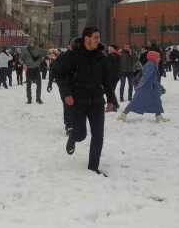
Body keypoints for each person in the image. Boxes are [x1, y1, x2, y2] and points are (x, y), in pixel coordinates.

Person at [56, 27, 115, 176]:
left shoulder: (101, 57)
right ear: (86, 39)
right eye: (95, 37)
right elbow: (60, 75)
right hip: (78, 100)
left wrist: (111, 99)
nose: (98, 40)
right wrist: (66, 94)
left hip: (96, 100)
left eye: (98, 37)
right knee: (81, 134)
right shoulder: (72, 56)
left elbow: (107, 80)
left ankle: (93, 167)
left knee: (98, 134)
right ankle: (73, 137)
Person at [117, 51, 169, 123]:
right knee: (136, 102)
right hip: (146, 88)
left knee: (157, 101)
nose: (159, 58)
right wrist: (140, 86)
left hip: (152, 88)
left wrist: (159, 87)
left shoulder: (153, 64)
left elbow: (153, 79)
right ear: (153, 58)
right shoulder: (150, 65)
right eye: (158, 57)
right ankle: (123, 114)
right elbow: (145, 77)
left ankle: (158, 116)